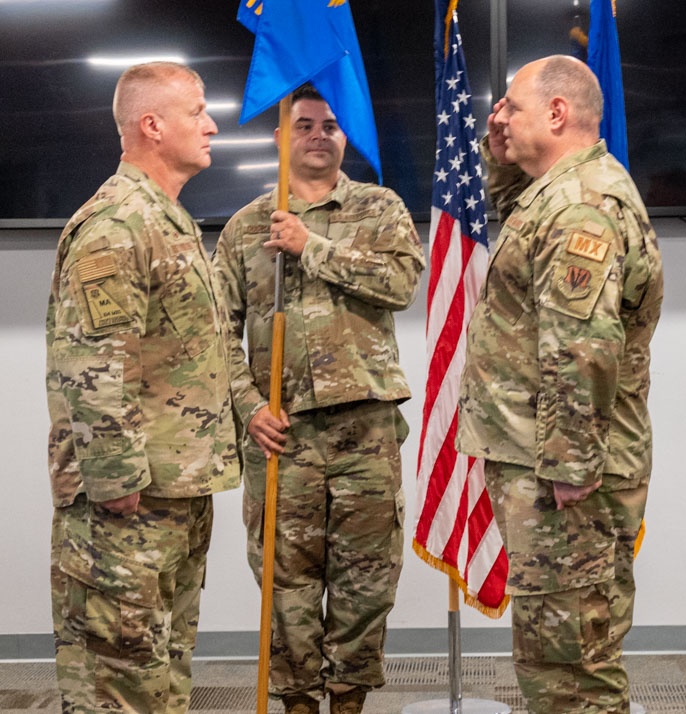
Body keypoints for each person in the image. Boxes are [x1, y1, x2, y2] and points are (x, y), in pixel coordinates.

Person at [456, 55, 663, 714]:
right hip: (542, 459)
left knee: (573, 664)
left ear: (557, 113)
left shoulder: (582, 205)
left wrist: (570, 464)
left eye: (510, 107)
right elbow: (519, 230)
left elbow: (582, 347)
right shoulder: (559, 190)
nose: (498, 116)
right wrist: (498, 155)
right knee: (557, 651)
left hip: (561, 473)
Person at [212, 84, 425, 714]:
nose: (318, 134)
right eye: (303, 124)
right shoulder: (245, 228)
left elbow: (401, 282)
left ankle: (349, 701)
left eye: (330, 124)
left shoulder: (380, 208)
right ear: (281, 137)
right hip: (282, 437)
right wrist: (249, 407)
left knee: (366, 584)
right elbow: (215, 332)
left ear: (344, 135)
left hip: (365, 430)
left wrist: (313, 247)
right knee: (286, 588)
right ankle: (298, 703)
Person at [45, 62, 240, 712]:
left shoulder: (169, 219)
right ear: (152, 126)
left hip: (175, 494)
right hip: (128, 508)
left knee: (161, 681)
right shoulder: (118, 224)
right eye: (198, 112)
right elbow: (91, 363)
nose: (212, 125)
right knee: (117, 688)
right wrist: (118, 483)